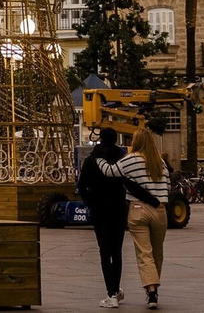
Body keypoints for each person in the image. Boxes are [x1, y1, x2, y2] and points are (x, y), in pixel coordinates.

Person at [99, 128, 169, 310]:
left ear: (136, 141)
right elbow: (168, 185)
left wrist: (98, 158)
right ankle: (153, 291)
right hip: (159, 209)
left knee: (144, 253)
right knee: (157, 253)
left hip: (138, 209)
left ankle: (151, 290)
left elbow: (110, 171)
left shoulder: (130, 159)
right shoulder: (159, 161)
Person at [77, 128, 128, 308]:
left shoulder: (92, 160)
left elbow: (82, 186)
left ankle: (111, 293)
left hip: (100, 211)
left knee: (104, 252)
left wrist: (91, 203)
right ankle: (116, 289)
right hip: (119, 210)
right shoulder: (122, 159)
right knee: (117, 251)